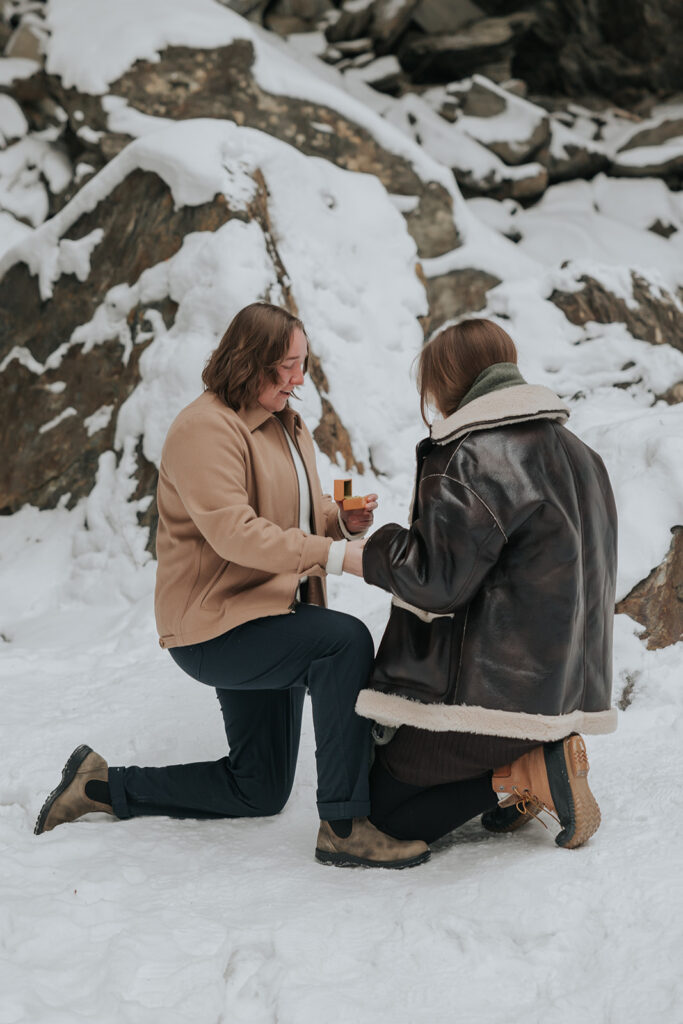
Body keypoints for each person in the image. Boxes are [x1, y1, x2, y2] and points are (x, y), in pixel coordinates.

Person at [34, 302, 429, 870]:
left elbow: (285, 510)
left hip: (267, 616)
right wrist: (337, 555)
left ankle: (99, 787)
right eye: (287, 367)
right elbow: (236, 533)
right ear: (251, 363)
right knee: (342, 642)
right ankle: (344, 825)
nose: (299, 379)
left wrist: (337, 518)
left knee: (258, 788)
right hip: (215, 626)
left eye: (303, 363)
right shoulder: (203, 429)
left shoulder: (285, 425)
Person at [346, 318, 617, 849]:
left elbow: (435, 580)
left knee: (383, 813)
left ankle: (523, 771)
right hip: (559, 690)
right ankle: (527, 767)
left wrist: (368, 549)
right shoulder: (582, 454)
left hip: (489, 698)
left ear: (448, 381)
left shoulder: (475, 453)